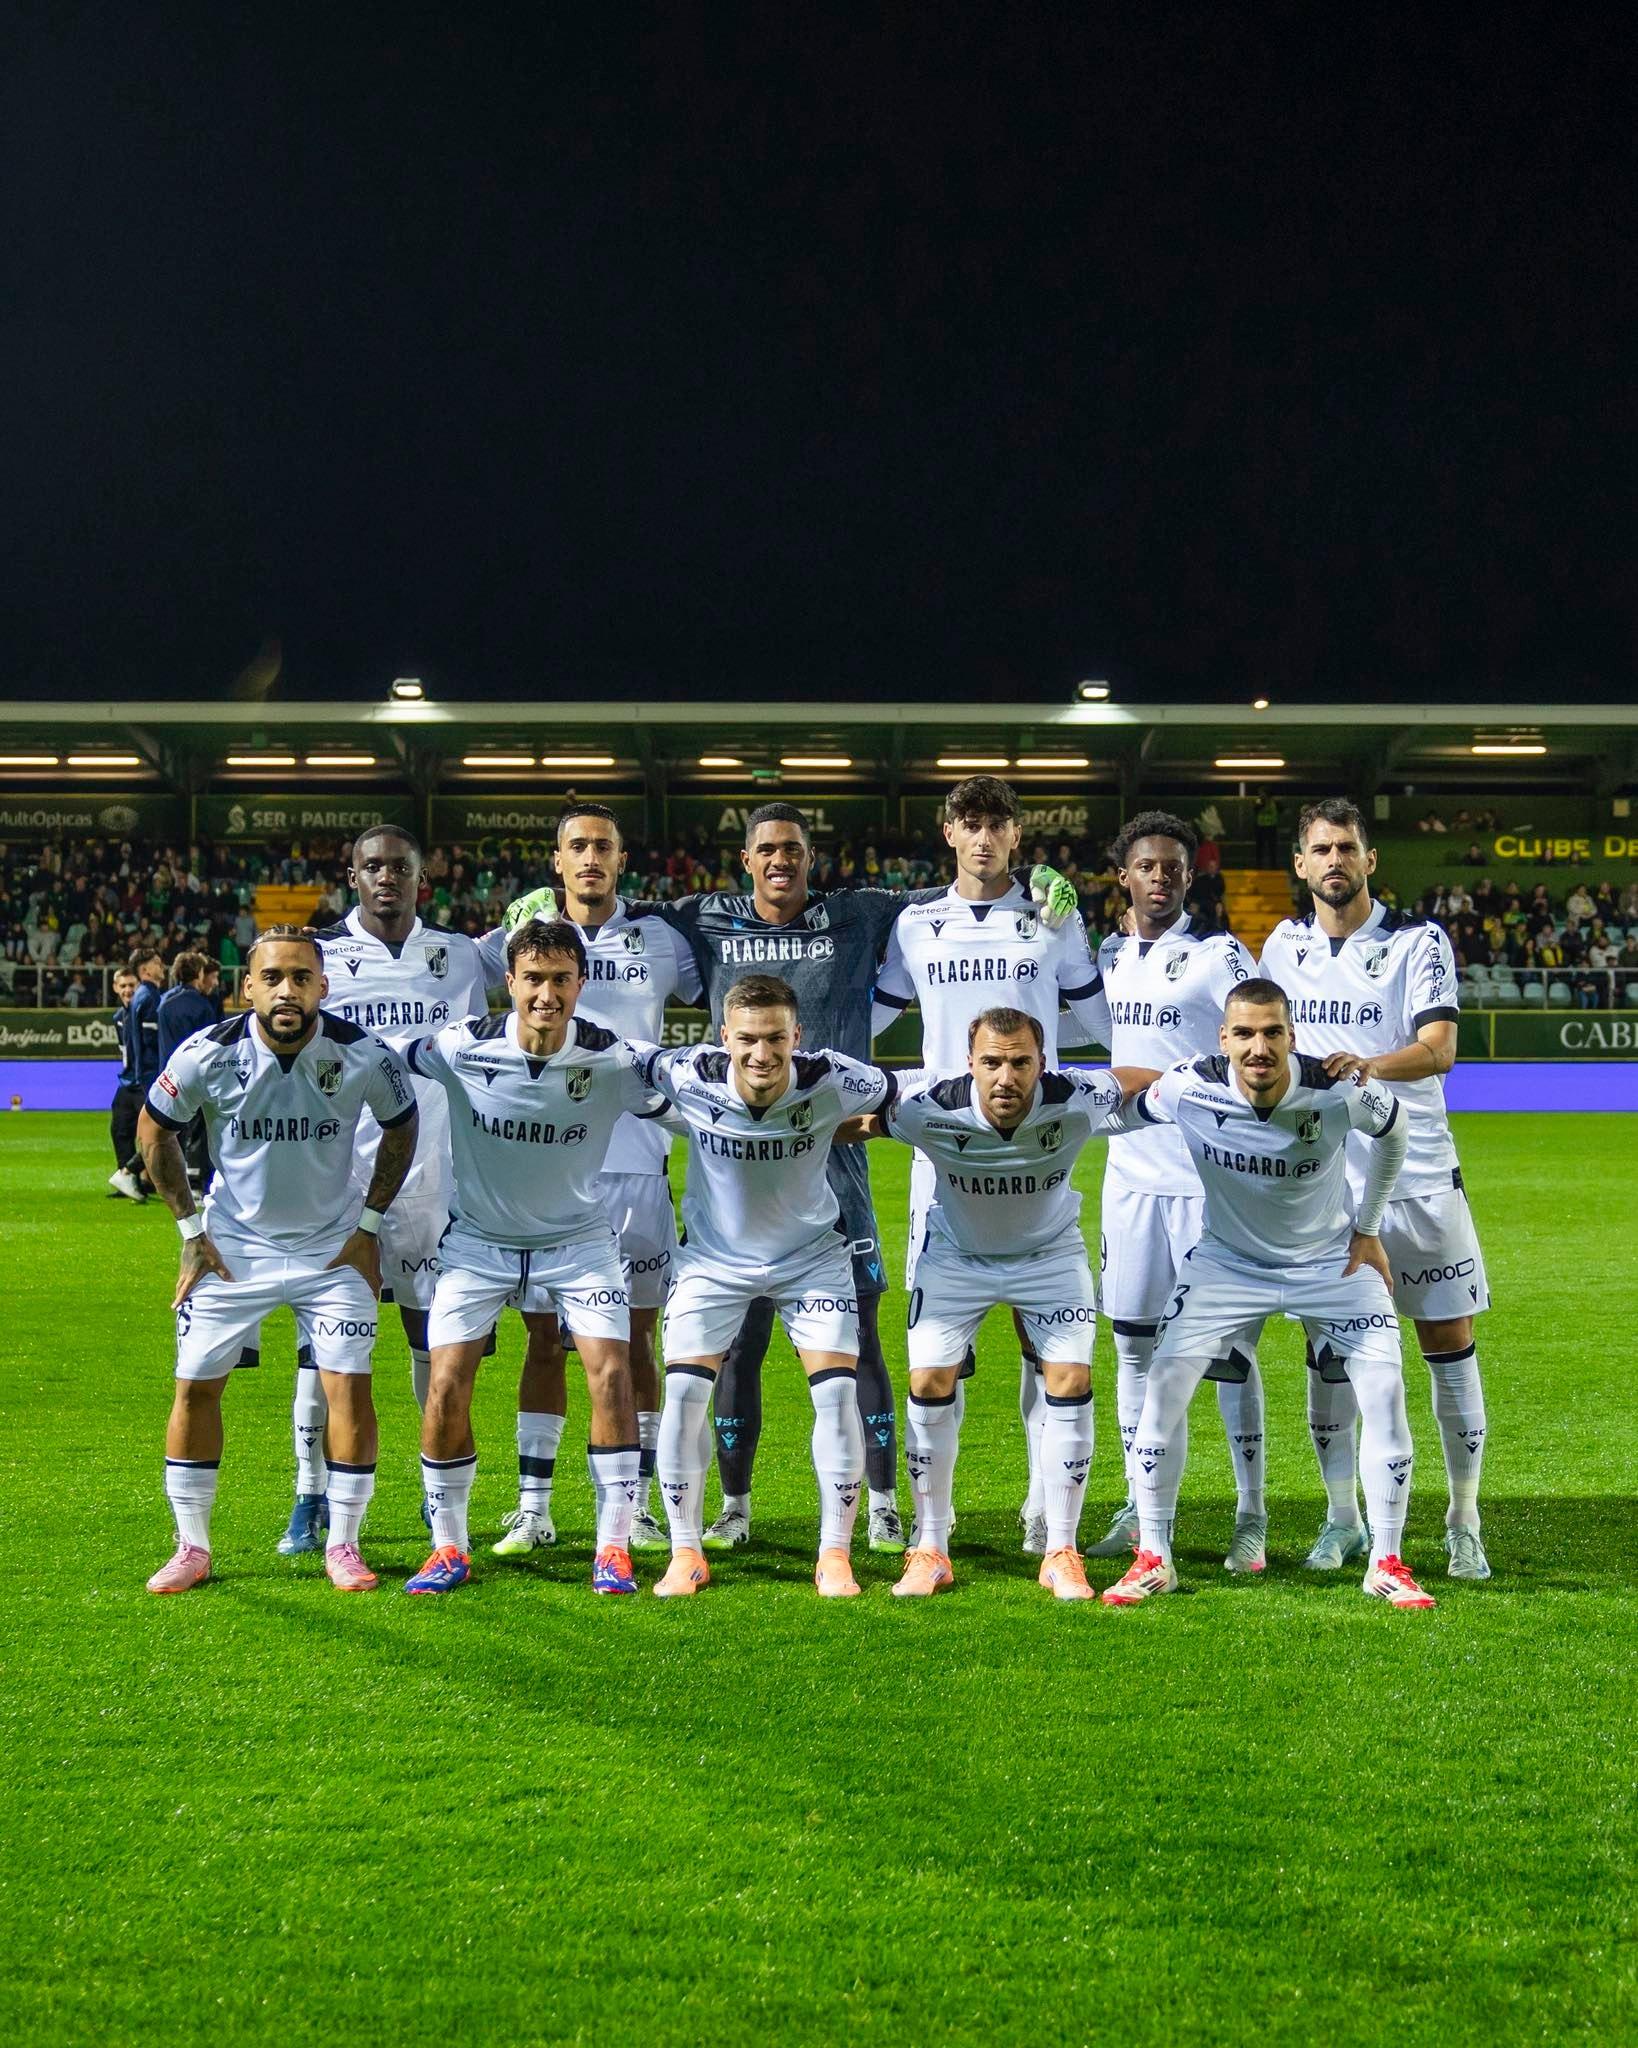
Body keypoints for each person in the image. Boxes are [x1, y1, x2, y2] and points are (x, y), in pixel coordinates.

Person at [506, 805, 1077, 1555]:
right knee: (736, 1343)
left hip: (834, 1157)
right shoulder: (701, 919)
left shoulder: (861, 915)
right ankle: (734, 1506)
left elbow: (962, 891)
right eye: (767, 850)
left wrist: (1028, 877)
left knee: (861, 1334)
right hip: (733, 1165)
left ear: (813, 858)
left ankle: (879, 1504)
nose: (781, 860)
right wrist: (549, 910)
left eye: (795, 850)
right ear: (746, 861)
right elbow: (617, 908)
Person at [1098, 980, 1433, 1610]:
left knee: (1386, 1393)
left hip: (1331, 1263)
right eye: (1245, 1034)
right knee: (1161, 1390)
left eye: (1272, 1033)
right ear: (1223, 1039)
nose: (1259, 1048)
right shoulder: (1186, 1085)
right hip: (1227, 1263)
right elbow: (1116, 1114)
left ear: (1291, 1037)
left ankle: (1387, 1560)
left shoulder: (1337, 1087)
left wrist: (1368, 1228)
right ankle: (1155, 1557)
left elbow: (1396, 1130)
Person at [138, 927, 419, 1595]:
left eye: (301, 977)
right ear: (248, 987)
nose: (287, 990)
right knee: (195, 1386)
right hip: (232, 1251)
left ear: (323, 986)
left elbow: (403, 1125)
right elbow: (154, 1131)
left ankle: (344, 1545)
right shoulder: (208, 1053)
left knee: (348, 1388)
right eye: (273, 978)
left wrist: (370, 1227)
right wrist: (189, 1230)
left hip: (333, 1251)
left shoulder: (362, 1056)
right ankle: (193, 1547)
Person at [844, 1008, 1155, 1599]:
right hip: (957, 1260)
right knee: (930, 1378)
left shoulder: (1077, 1096)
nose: (1005, 1077)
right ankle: (931, 1547)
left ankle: (1061, 1550)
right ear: (971, 1064)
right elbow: (859, 1124)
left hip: (1050, 1259)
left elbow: (1140, 1079)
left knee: (1069, 1376)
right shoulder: (927, 1107)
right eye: (992, 1062)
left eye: (1020, 1062)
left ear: (1044, 1063)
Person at [871, 775, 1107, 1553]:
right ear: (948, 833)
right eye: (968, 824)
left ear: (1016, 834)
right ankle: (938, 1521)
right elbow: (868, 1014)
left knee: (1046, 1337)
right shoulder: (915, 924)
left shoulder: (1051, 918)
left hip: (1036, 1145)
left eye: (995, 824)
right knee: (943, 1355)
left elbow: (1103, 1022)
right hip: (943, 1149)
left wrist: (1083, 934)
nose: (982, 837)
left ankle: (1045, 1507)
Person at [1262, 797, 1492, 1580]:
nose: (1334, 860)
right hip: (1324, 1193)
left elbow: (1439, 1049)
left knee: (1447, 1348)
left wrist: (1367, 1067)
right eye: (1320, 849)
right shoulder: (1283, 946)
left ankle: (1463, 1518)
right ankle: (1341, 1519)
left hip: (1420, 1180)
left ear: (1370, 860)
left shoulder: (1415, 941)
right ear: (1300, 864)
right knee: (1330, 1356)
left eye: (1347, 848)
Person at [400, 918, 659, 1596]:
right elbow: (383, 1056)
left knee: (610, 1372)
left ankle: (613, 1548)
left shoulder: (616, 1058)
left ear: (581, 983)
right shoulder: (460, 1047)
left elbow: (687, 1098)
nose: (546, 995)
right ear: (509, 982)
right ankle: (448, 1547)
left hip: (576, 1244)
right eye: (534, 980)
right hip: (478, 1244)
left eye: (560, 981)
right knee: (447, 1379)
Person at [630, 974, 899, 1598]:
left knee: (835, 1396)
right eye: (747, 1039)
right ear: (725, 1037)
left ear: (795, 1036)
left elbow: (901, 1097)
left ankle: (835, 1554)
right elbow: (613, 1058)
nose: (761, 1053)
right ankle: (685, 1553)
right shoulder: (688, 1073)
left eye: (776, 1038)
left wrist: (844, 1126)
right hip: (714, 1264)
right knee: (684, 1393)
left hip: (811, 1259)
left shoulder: (832, 1077)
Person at [278, 826, 499, 1557]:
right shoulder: (320, 958)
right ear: (351, 874)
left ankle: (431, 1487)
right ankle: (309, 1495)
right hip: (338, 1186)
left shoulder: (460, 955)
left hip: (434, 1184)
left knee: (430, 1344)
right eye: (372, 866)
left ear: (421, 876)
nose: (386, 878)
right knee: (324, 1352)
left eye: (400, 867)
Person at [489, 806, 702, 1558]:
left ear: (621, 859)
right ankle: (534, 1506)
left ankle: (635, 1505)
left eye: (602, 847)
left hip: (638, 1161)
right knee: (544, 1341)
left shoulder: (664, 940)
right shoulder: (521, 934)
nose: (589, 858)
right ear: (557, 860)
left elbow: (730, 971)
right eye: (576, 846)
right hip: (546, 1165)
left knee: (636, 1341)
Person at [1080, 811, 1269, 1571]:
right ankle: (1139, 1503)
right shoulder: (1103, 955)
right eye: (1146, 866)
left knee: (1227, 1355)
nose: (1160, 876)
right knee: (1130, 1348)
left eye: (1174, 866)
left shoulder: (1219, 953)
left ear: (1191, 876)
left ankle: (1250, 1514)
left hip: (1206, 1183)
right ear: (1123, 875)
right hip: (1129, 1181)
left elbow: (1259, 1037)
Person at [158, 952, 220, 1193]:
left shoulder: (165, 1002)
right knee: (199, 1131)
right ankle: (195, 1184)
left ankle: (168, 1181)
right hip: (197, 1076)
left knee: (173, 1131)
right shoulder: (201, 1005)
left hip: (169, 1076)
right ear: (198, 973)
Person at [107, 965, 147, 1202]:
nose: (127, 990)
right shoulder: (118, 1018)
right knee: (119, 1129)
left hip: (145, 1080)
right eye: (123, 986)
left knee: (154, 1134)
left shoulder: (146, 1011)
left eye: (132, 985)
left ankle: (139, 1176)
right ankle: (128, 1179)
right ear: (115, 988)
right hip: (128, 1079)